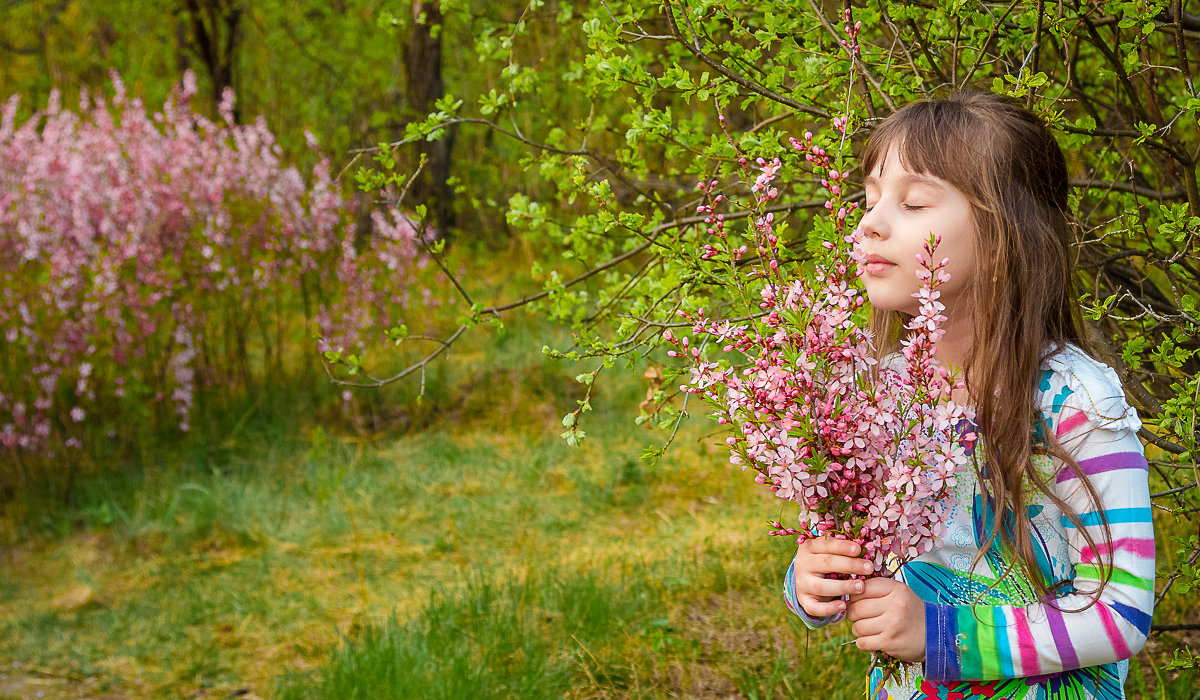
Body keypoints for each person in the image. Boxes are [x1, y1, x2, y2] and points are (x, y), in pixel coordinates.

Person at [782, 92, 1155, 700]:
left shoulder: (1073, 403)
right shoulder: (873, 391)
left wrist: (940, 634)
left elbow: (1122, 612)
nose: (869, 223)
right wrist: (814, 583)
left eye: (913, 202)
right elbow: (854, 555)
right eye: (870, 198)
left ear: (1005, 231)